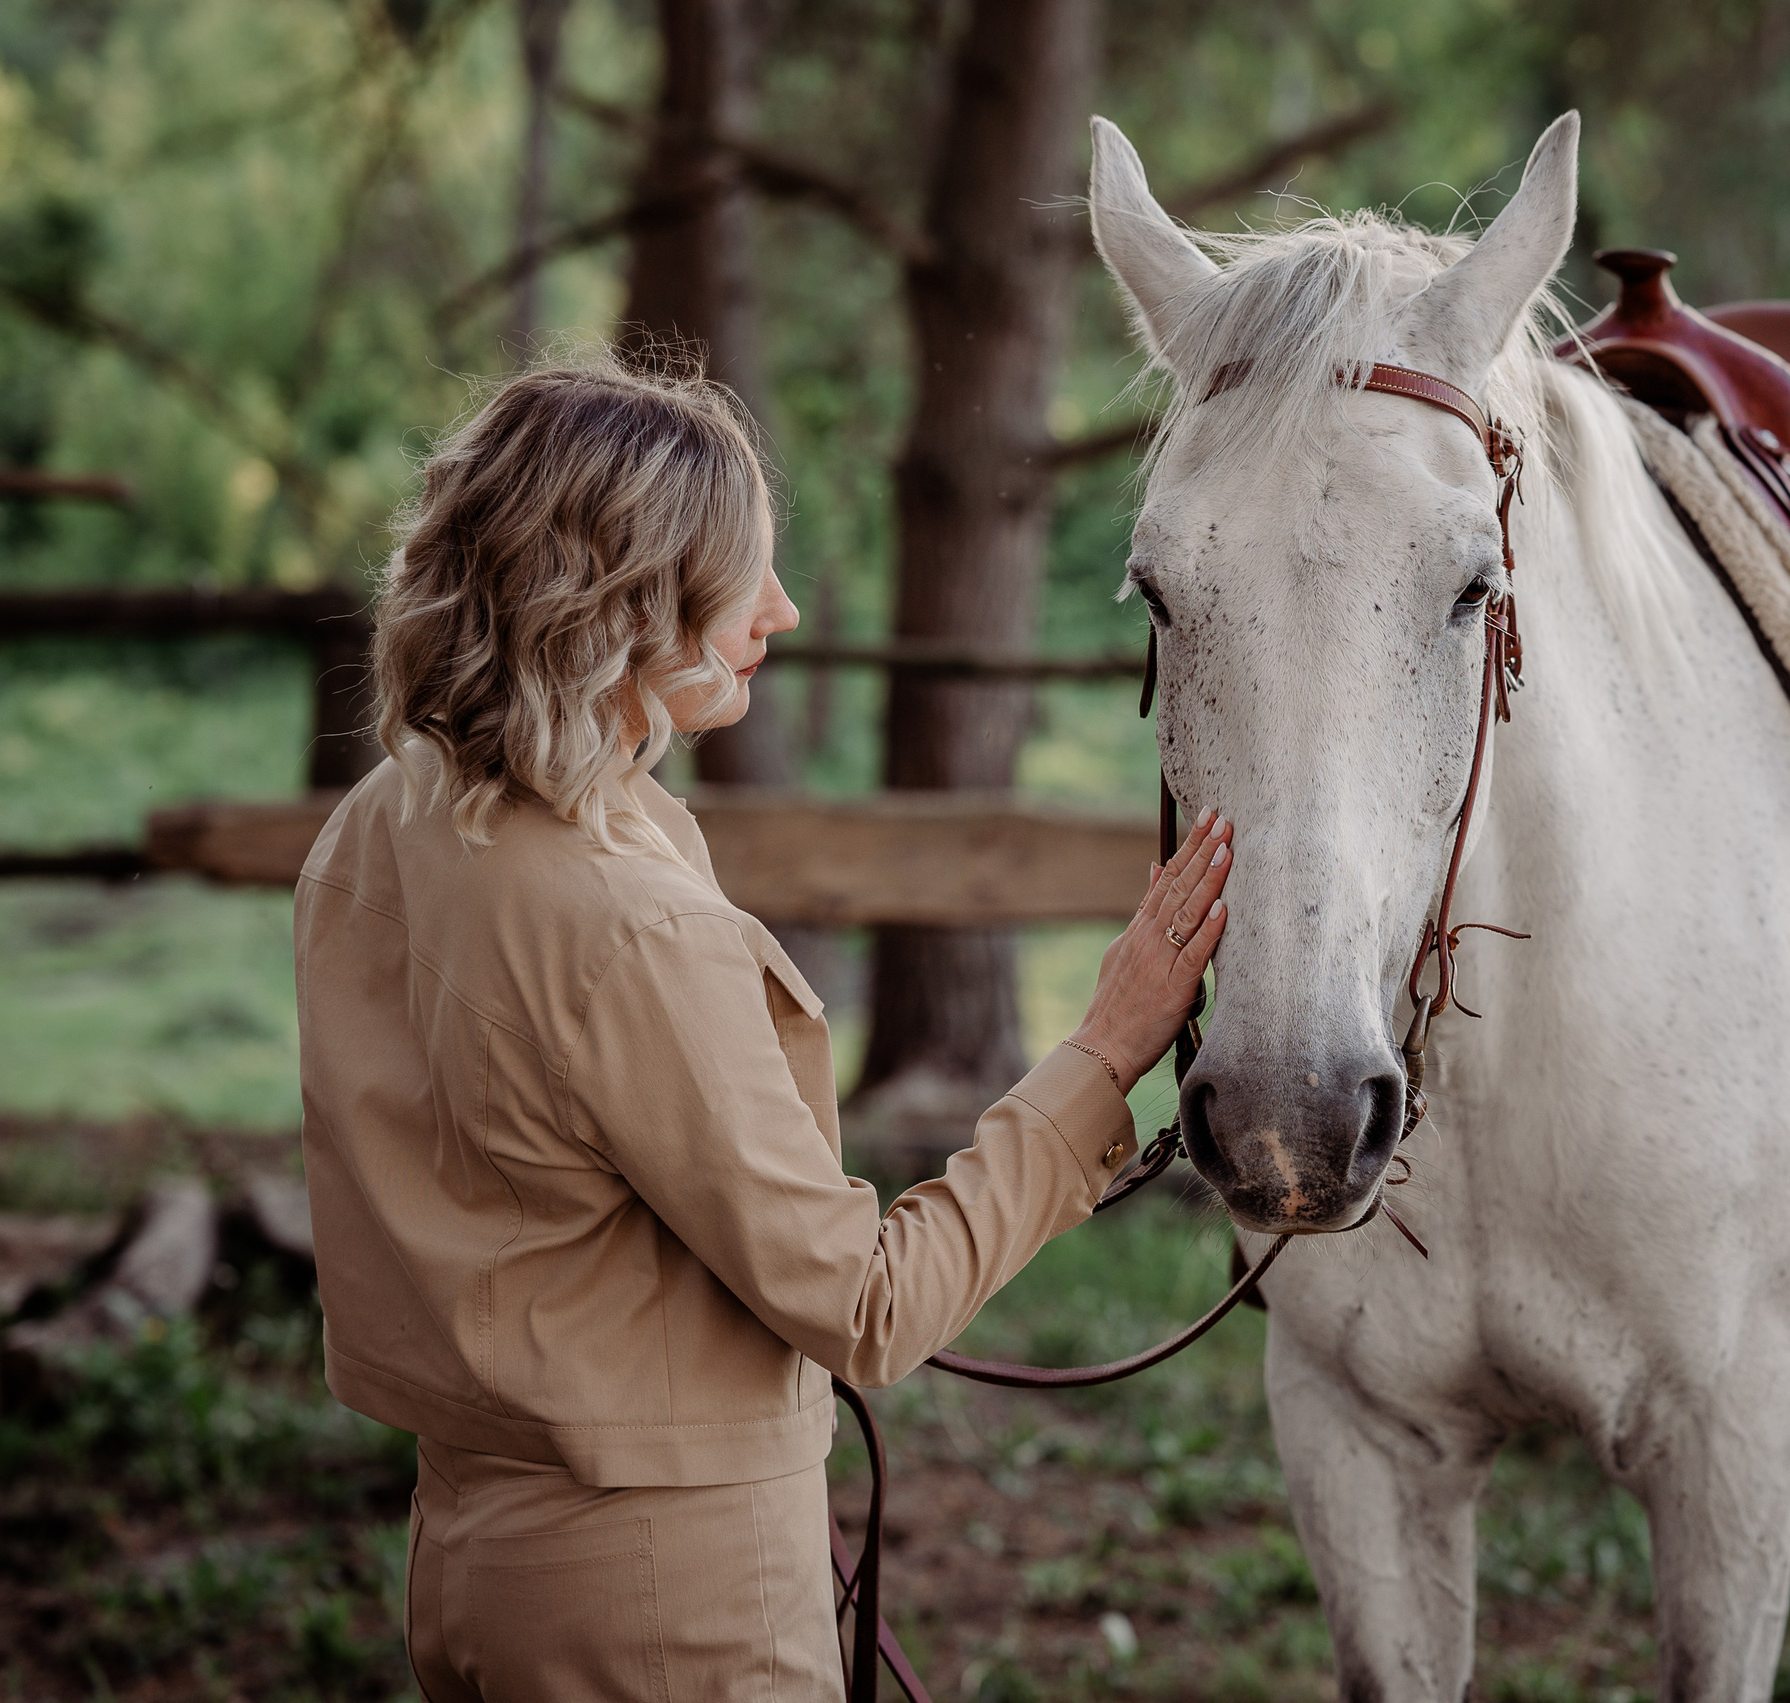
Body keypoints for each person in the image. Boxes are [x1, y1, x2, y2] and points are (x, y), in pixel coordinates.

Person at [293, 354, 1232, 1700]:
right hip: (670, 1607)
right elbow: (866, 1304)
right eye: (745, 579)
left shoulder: (384, 821)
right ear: (625, 596)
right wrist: (1106, 1053)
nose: (782, 611)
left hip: (471, 1561)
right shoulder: (624, 925)